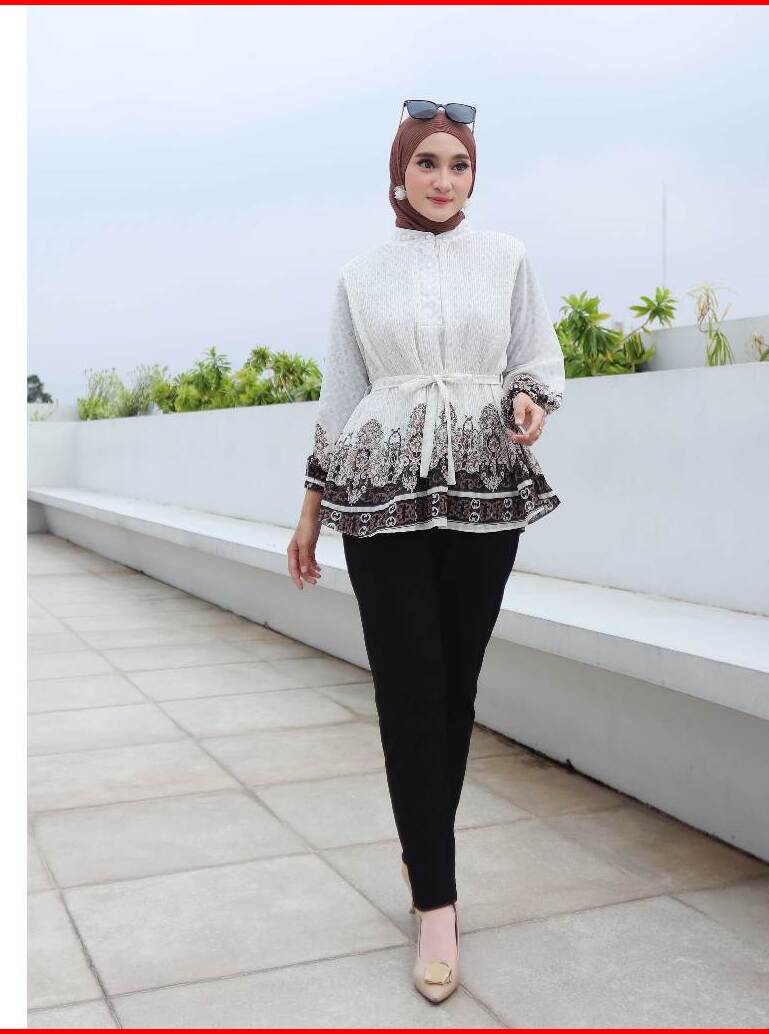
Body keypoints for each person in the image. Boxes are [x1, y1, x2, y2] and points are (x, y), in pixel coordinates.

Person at [287, 99, 565, 1004]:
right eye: (428, 163)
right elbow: (340, 395)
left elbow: (537, 359)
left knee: (455, 693)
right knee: (408, 692)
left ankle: (422, 856)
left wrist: (528, 401)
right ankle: (436, 907)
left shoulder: (508, 259)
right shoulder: (360, 276)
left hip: (486, 494)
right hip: (380, 499)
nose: (445, 180)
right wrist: (309, 511)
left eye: (460, 165)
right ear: (398, 173)